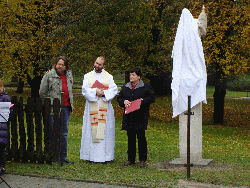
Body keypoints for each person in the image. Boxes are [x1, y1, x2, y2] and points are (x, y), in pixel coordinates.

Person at [80, 56, 117, 163]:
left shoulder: (109, 77)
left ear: (103, 66)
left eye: (99, 64)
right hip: (92, 106)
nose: (96, 65)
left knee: (105, 131)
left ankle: (105, 157)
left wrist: (104, 93)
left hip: (104, 107)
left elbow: (114, 90)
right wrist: (95, 92)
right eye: (96, 63)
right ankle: (90, 156)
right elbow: (84, 90)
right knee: (91, 131)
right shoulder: (88, 76)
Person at [117, 68, 155, 167]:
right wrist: (123, 102)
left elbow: (151, 98)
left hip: (141, 116)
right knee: (130, 138)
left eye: (133, 75)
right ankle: (130, 159)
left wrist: (141, 102)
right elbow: (119, 98)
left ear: (138, 76)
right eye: (130, 75)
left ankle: (142, 160)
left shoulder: (146, 86)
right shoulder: (125, 87)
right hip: (129, 116)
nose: (131, 77)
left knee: (141, 138)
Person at [39, 56, 74, 164]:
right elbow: (42, 92)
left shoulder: (68, 75)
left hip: (66, 107)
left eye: (63, 65)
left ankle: (63, 156)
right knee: (53, 131)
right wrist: (49, 103)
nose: (60, 66)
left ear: (66, 66)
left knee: (63, 132)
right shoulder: (49, 75)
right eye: (59, 64)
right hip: (53, 109)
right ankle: (52, 156)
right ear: (55, 64)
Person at [0, 80, 12, 175]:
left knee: (1, 147)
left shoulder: (5, 98)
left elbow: (10, 114)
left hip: (1, 127)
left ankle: (1, 167)